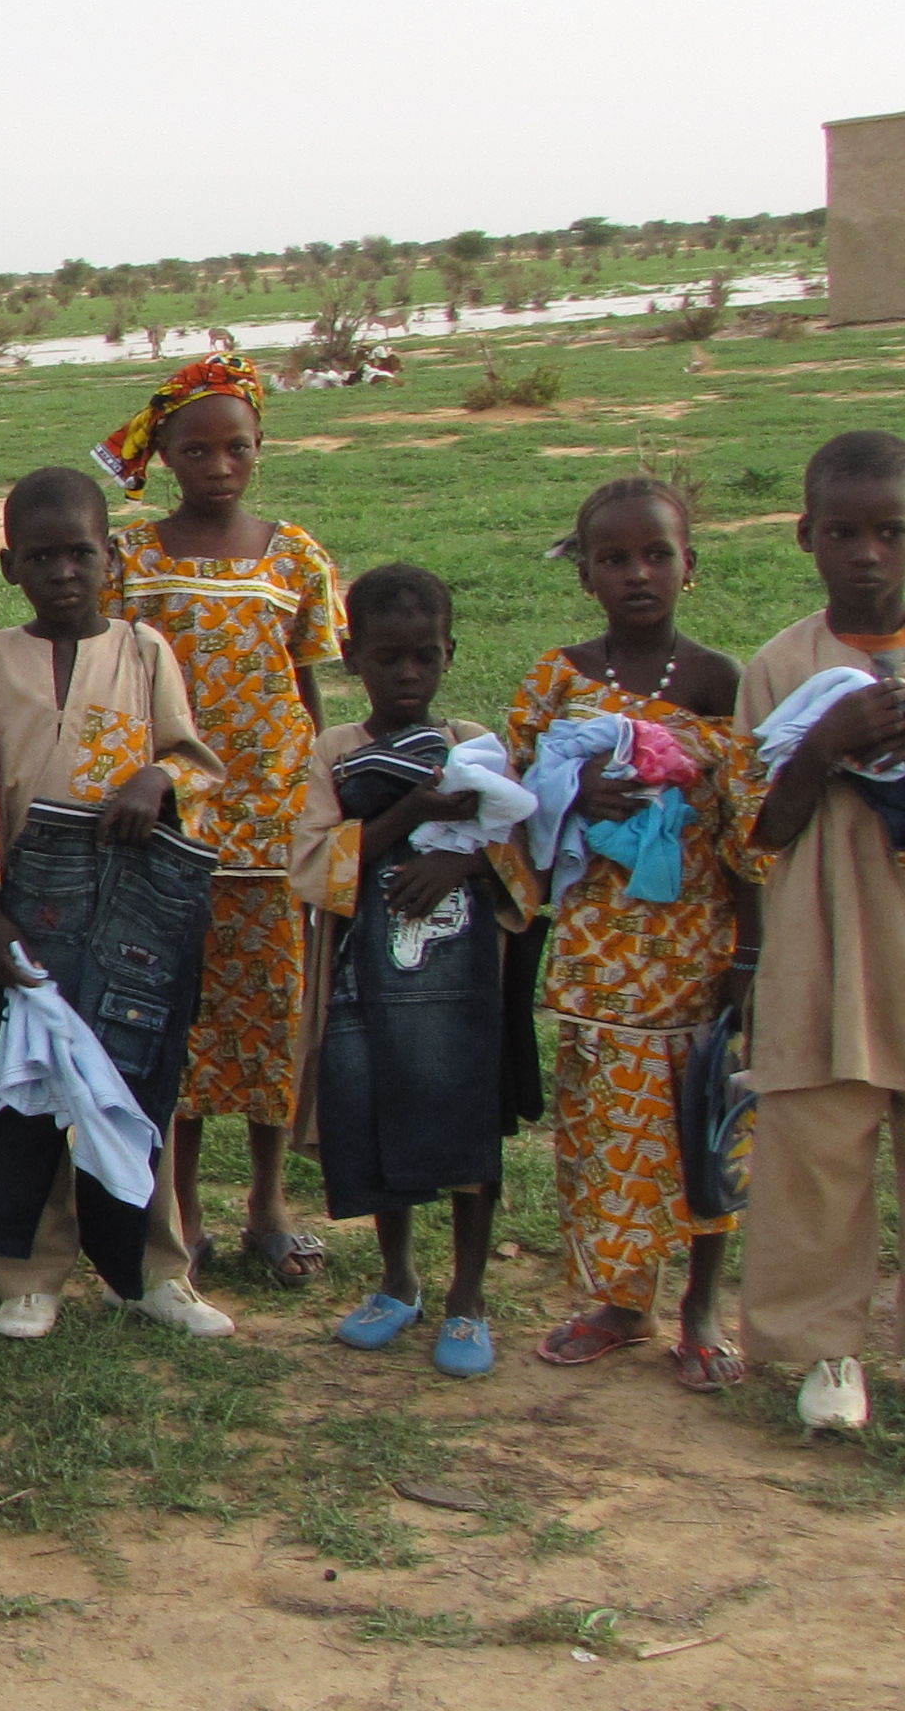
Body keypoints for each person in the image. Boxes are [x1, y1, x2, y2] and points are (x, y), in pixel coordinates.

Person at [0, 468, 229, 1339]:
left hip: (129, 902)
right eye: (43, 556)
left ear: (112, 556)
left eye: (82, 553)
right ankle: (30, 1271)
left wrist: (156, 777)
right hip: (27, 899)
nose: (65, 571)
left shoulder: (144, 653)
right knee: (24, 1084)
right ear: (10, 565)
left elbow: (196, 763)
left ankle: (152, 1269)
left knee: (134, 1085)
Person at [98, 353, 348, 1293]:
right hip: (173, 820)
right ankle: (184, 1204)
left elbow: (309, 689)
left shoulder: (295, 557)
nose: (217, 465)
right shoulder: (136, 559)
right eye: (195, 449)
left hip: (275, 821)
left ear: (259, 448)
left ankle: (271, 1204)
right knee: (183, 1022)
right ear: (163, 452)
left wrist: (322, 797)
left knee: (272, 1017)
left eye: (235, 447)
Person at [509, 479, 765, 1390]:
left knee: (704, 1127)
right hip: (599, 956)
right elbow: (509, 801)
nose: (637, 573)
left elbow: (745, 831)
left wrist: (750, 952)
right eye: (613, 558)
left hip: (696, 951)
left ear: (689, 565)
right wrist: (571, 794)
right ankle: (620, 1301)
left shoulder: (722, 682)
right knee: (604, 1134)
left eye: (656, 554)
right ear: (585, 574)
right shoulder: (556, 678)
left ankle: (700, 1304)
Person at [291, 564, 525, 1378]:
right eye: (388, 659)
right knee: (380, 1119)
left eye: (424, 657)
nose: (408, 675)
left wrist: (462, 870)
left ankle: (468, 1296)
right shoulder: (333, 753)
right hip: (368, 984)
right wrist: (413, 814)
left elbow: (521, 853)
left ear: (449, 654)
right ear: (351, 658)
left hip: (464, 987)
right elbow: (313, 863)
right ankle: (398, 1280)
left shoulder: (474, 747)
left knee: (468, 1127)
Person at [737, 431, 905, 1433]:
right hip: (822, 945)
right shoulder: (782, 668)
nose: (870, 555)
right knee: (815, 1154)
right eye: (844, 532)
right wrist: (828, 747)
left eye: (892, 532)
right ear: (806, 536)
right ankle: (825, 1351)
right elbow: (754, 827)